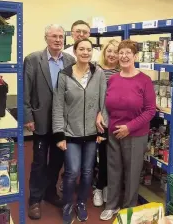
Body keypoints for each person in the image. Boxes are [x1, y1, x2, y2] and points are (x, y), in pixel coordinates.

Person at [98, 39, 156, 221]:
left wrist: (129, 127)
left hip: (135, 134)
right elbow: (107, 103)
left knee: (132, 172)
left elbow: (150, 111)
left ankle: (129, 207)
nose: (123, 56)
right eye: (120, 52)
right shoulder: (113, 78)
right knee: (113, 169)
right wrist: (101, 114)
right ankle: (112, 205)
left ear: (135, 56)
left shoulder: (144, 81)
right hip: (113, 132)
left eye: (127, 53)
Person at [52, 38, 107, 224]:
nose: (85, 52)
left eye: (89, 50)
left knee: (87, 172)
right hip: (71, 133)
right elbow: (58, 106)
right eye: (81, 49)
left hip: (92, 133)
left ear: (92, 52)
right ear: (75, 52)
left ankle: (81, 203)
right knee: (72, 172)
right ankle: (67, 205)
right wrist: (59, 134)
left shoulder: (98, 73)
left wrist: (102, 130)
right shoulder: (64, 75)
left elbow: (103, 103)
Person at [24, 24, 76, 220]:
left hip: (62, 122)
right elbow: (25, 90)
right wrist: (28, 117)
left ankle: (50, 192)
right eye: (53, 36)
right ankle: (35, 200)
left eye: (61, 36)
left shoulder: (70, 60)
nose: (58, 40)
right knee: (39, 162)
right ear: (46, 38)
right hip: (41, 120)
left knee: (57, 161)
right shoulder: (33, 59)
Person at [92, 39, 120, 207]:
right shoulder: (96, 69)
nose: (112, 54)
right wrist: (98, 114)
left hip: (117, 121)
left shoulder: (121, 72)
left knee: (114, 157)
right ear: (104, 52)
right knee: (102, 156)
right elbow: (92, 95)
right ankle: (99, 188)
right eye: (109, 51)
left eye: (116, 51)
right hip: (101, 120)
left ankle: (109, 186)